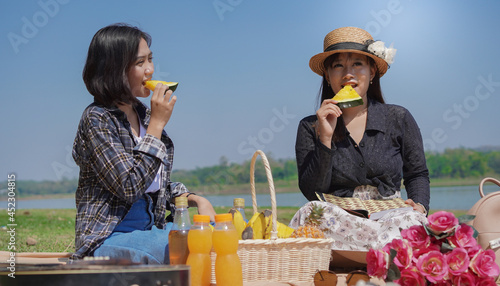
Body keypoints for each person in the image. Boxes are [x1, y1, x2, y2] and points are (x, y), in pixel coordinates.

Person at [70, 23, 216, 263]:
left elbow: (155, 185)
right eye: (140, 63)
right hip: (109, 237)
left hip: (149, 230)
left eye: (150, 59)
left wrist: (195, 199)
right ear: (113, 70)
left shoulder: (143, 115)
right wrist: (157, 126)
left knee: (212, 236)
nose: (150, 70)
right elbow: (129, 186)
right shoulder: (97, 119)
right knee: (181, 249)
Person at [289, 27, 430, 252]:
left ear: (372, 72)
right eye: (338, 66)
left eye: (357, 64)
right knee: (309, 214)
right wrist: (324, 138)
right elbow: (312, 193)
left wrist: (420, 205)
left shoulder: (398, 117)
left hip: (391, 215)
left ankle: (359, 252)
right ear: (327, 74)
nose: (348, 74)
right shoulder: (310, 126)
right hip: (341, 219)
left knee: (411, 221)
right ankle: (384, 252)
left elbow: (417, 174)